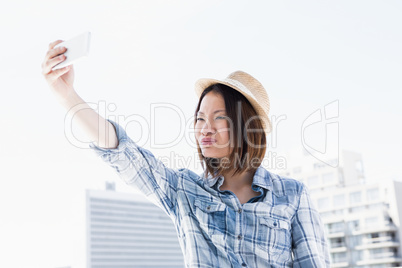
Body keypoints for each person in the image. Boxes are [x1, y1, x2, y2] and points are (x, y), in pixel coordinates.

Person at [42, 40, 331, 267]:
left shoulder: (292, 195)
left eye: (219, 117)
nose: (205, 128)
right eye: (200, 118)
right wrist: (66, 95)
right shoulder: (183, 191)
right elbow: (121, 152)